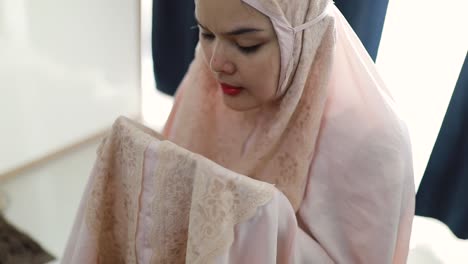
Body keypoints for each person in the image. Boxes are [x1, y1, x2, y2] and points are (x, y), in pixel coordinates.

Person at [62, 0, 415, 263]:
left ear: (302, 40)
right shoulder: (206, 82)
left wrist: (258, 215)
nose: (216, 63)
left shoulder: (374, 143)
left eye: (246, 45)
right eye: (205, 34)